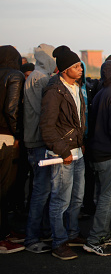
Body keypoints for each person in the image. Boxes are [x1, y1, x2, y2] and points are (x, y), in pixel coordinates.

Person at [40, 46, 86, 260]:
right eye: (76, 66)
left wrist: (80, 143)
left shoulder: (76, 87)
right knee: (61, 200)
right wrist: (63, 150)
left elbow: (77, 121)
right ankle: (59, 242)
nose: (80, 69)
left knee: (77, 198)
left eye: (80, 65)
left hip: (77, 153)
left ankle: (72, 234)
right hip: (63, 155)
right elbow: (47, 128)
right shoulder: (54, 91)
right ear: (64, 69)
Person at [84, 60, 111, 256]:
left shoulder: (100, 93)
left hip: (95, 151)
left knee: (103, 195)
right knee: (108, 199)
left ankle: (103, 234)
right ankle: (94, 239)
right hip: (109, 153)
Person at [22, 44, 56, 253]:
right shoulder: (41, 78)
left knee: (43, 190)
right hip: (39, 141)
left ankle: (43, 231)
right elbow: (45, 111)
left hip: (34, 139)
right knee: (41, 192)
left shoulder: (34, 75)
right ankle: (32, 237)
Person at [0, 45, 26, 254]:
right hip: (6, 139)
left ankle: (6, 232)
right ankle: (2, 238)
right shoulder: (14, 75)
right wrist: (17, 134)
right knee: (4, 189)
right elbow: (11, 109)